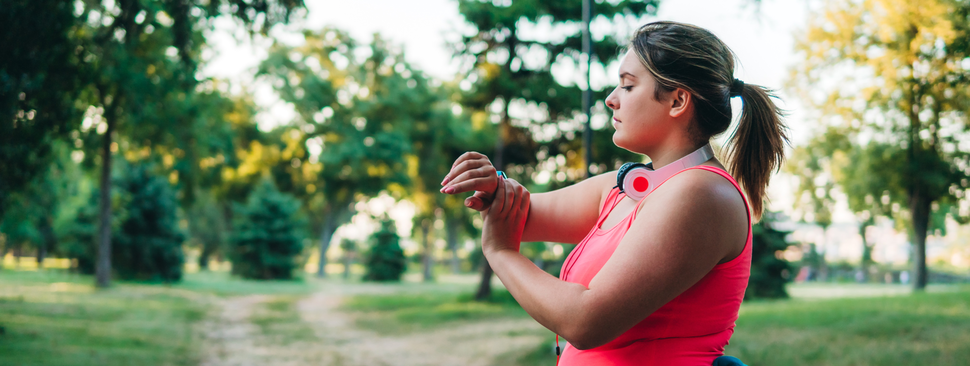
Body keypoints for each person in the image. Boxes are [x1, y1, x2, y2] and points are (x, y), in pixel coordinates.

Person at [439, 21, 787, 365]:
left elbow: (585, 320)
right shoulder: (624, 188)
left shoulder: (701, 194)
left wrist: (500, 252)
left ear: (678, 100)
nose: (610, 100)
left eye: (628, 86)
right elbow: (518, 214)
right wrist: (492, 184)